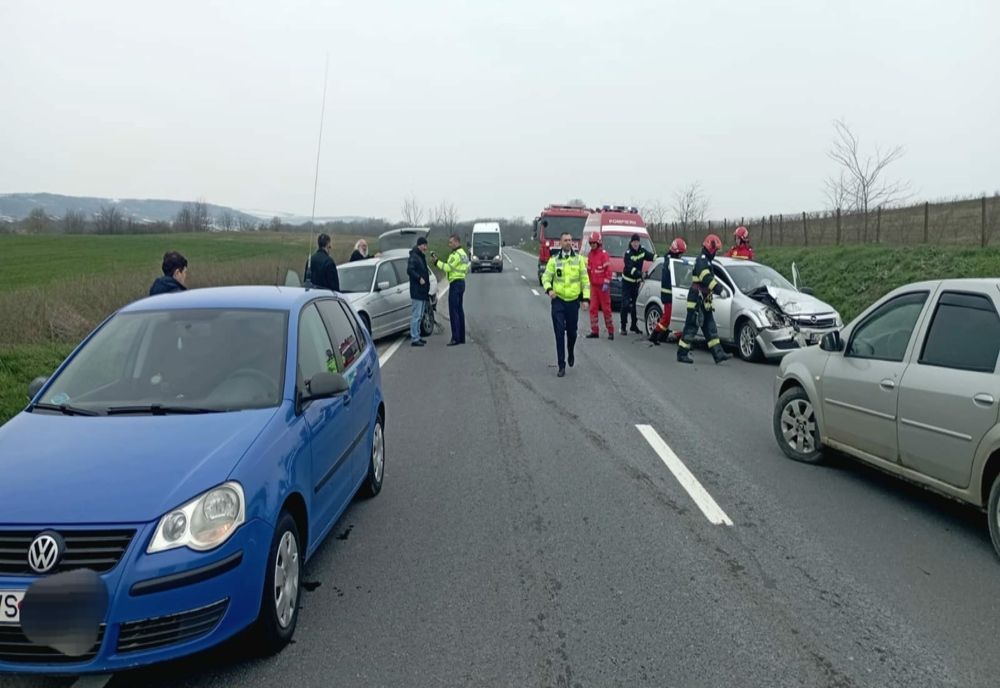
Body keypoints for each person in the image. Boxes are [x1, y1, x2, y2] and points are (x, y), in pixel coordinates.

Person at [677, 234, 732, 364]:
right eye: (715, 250)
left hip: (704, 299)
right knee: (692, 326)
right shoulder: (702, 260)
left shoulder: (706, 260)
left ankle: (718, 354)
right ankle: (682, 353)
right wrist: (719, 289)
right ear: (710, 248)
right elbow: (706, 278)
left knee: (710, 327)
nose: (716, 252)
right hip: (697, 298)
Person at [542, 232, 590, 377]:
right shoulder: (554, 260)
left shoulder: (579, 260)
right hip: (558, 301)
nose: (568, 242)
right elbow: (546, 277)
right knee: (559, 333)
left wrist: (586, 299)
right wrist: (549, 289)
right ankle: (561, 365)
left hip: (573, 302)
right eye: (565, 240)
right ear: (560, 242)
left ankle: (570, 352)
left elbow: (585, 281)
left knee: (572, 333)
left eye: (570, 240)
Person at [648, 238, 687, 345]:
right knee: (667, 318)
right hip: (668, 294)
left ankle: (680, 337)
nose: (681, 256)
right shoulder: (670, 261)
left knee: (676, 315)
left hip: (673, 294)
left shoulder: (670, 259)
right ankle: (654, 335)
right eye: (680, 253)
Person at [432, 235, 469, 346]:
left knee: (453, 311)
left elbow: (448, 267)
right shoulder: (463, 254)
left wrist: (436, 262)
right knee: (459, 310)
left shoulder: (456, 255)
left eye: (451, 242)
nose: (450, 244)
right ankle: (461, 337)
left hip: (455, 283)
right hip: (462, 281)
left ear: (457, 242)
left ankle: (455, 338)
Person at [620, 233, 655, 335]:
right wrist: (641, 274)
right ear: (631, 242)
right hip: (627, 283)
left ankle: (633, 326)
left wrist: (660, 258)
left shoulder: (642, 251)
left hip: (636, 283)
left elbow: (651, 256)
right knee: (625, 305)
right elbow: (630, 268)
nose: (635, 244)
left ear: (639, 242)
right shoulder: (628, 254)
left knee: (635, 305)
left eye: (637, 242)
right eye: (634, 242)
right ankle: (623, 326)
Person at [585, 232, 614, 340]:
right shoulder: (590, 254)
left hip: (603, 287)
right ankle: (594, 331)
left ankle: (611, 331)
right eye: (591, 243)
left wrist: (606, 282)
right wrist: (589, 282)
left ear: (598, 243)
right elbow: (589, 270)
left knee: (606, 309)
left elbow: (608, 270)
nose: (592, 245)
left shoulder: (603, 254)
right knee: (592, 309)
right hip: (594, 286)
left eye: (594, 243)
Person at [406, 236, 431, 347]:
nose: (426, 247)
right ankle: (414, 338)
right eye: (424, 245)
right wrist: (419, 278)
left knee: (420, 315)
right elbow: (409, 270)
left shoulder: (420, 256)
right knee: (416, 316)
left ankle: (418, 336)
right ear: (419, 245)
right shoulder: (414, 257)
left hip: (422, 291)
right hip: (417, 291)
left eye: (426, 245)